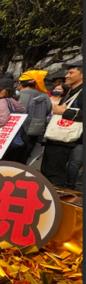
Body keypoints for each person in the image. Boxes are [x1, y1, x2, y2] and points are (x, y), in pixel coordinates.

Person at [41, 60, 83, 189]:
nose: (67, 75)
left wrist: (64, 112)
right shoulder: (71, 92)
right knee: (46, 174)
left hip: (65, 140)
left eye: (71, 72)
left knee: (55, 177)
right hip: (56, 138)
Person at [17, 70, 53, 164]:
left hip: (17, 132)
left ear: (20, 83)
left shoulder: (18, 95)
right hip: (34, 132)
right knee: (23, 160)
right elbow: (48, 110)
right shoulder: (45, 96)